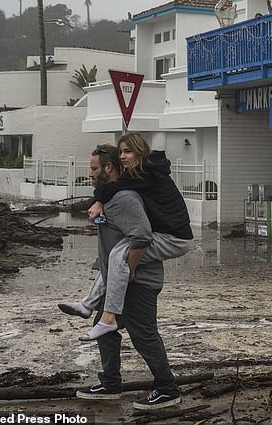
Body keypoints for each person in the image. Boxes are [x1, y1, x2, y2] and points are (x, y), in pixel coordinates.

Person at [75, 143, 181, 409]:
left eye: (94, 168)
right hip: (121, 281)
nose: (90, 173)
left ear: (108, 168)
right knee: (105, 329)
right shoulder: (112, 196)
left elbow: (142, 236)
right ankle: (111, 383)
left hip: (139, 280)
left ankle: (167, 388)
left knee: (144, 334)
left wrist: (131, 268)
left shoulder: (125, 198)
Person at [59, 133, 193, 341]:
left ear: (140, 152)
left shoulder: (145, 172)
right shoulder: (140, 171)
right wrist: (99, 201)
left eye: (128, 151)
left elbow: (113, 189)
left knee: (118, 257)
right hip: (167, 234)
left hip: (175, 238)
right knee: (115, 257)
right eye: (120, 151)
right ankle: (88, 305)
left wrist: (98, 202)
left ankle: (108, 318)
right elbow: (111, 189)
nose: (122, 156)